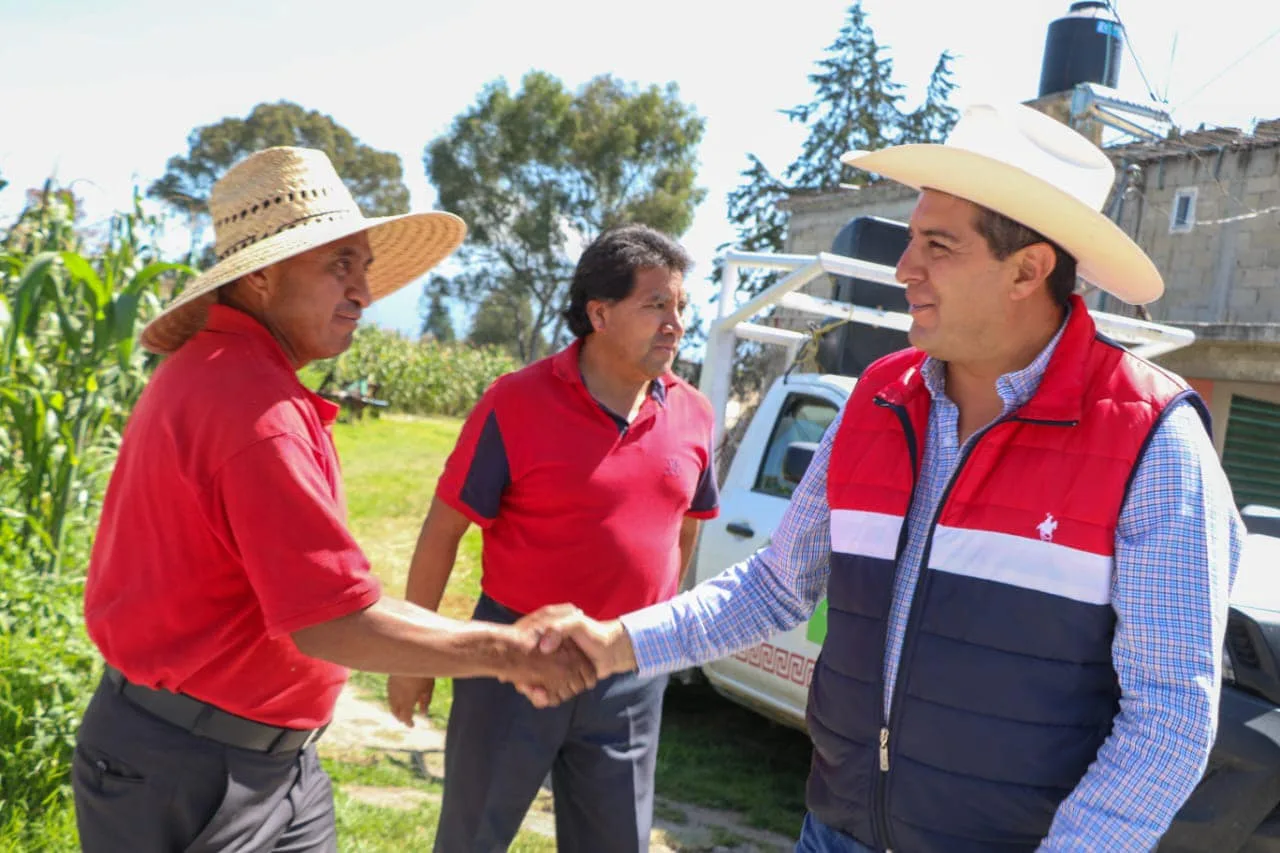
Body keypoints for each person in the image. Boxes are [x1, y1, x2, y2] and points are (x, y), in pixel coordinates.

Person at [523, 104, 1246, 852]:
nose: (906, 268)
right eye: (911, 241)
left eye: (938, 245)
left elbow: (1168, 717)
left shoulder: (1155, 442)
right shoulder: (875, 400)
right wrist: (616, 641)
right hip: (833, 832)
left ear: (1028, 269)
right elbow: (775, 585)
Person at [73, 146, 594, 853]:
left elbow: (329, 597)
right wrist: (506, 651)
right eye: (338, 265)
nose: (363, 290)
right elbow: (327, 621)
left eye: (364, 267)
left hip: (258, 761)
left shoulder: (234, 376)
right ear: (261, 274)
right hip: (193, 770)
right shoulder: (252, 408)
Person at [386, 223, 720, 852]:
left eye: (680, 306)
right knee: (470, 841)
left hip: (628, 671)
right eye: (656, 304)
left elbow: (685, 530)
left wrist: (652, 636)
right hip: (513, 661)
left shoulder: (695, 415)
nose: (675, 323)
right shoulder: (515, 403)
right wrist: (417, 659)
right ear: (599, 312)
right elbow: (442, 531)